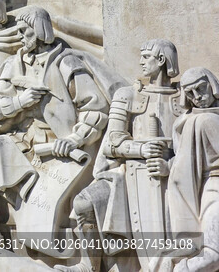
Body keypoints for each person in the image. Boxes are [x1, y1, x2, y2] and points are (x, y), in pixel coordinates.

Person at [0, 5, 108, 234]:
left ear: (40, 30)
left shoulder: (66, 62)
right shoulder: (13, 64)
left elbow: (96, 108)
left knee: (47, 219)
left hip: (56, 144)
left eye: (24, 31)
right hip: (19, 139)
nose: (19, 37)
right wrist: (20, 101)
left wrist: (74, 138)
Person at [56, 39, 183, 272]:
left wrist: (171, 163)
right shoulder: (127, 95)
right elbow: (112, 142)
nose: (140, 62)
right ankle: (88, 264)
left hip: (174, 173)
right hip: (127, 173)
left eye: (146, 57)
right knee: (84, 202)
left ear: (161, 60)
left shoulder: (184, 98)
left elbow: (196, 145)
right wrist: (140, 149)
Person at [168, 67, 219, 272]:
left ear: (212, 84)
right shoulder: (188, 122)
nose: (197, 97)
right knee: (211, 258)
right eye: (190, 93)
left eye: (200, 88)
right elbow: (181, 159)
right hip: (212, 188)